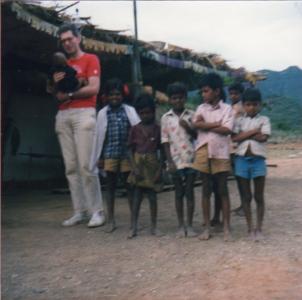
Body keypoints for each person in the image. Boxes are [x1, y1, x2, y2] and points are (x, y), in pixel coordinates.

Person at [46, 23, 105, 227]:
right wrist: (55, 84)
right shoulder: (60, 66)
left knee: (86, 165)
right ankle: (79, 210)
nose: (67, 43)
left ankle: (96, 210)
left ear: (78, 38)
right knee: (71, 167)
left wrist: (69, 94)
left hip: (83, 113)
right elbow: (55, 93)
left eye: (70, 38)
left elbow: (94, 88)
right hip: (63, 114)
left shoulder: (90, 59)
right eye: (63, 41)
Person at [90, 78, 140, 233]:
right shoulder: (102, 114)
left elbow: (136, 131)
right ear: (106, 96)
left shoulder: (129, 111)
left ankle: (134, 220)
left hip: (127, 155)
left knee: (129, 186)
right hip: (110, 154)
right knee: (110, 187)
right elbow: (100, 137)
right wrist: (100, 157)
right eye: (111, 95)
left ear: (122, 95)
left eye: (117, 94)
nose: (115, 98)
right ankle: (111, 220)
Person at [192, 73, 234, 241]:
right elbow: (196, 124)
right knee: (206, 190)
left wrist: (206, 125)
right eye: (202, 91)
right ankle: (207, 228)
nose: (203, 94)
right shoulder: (201, 108)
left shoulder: (227, 109)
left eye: (206, 91)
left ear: (216, 91)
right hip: (203, 151)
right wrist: (217, 124)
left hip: (221, 152)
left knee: (222, 190)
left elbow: (227, 129)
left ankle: (226, 228)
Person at [232, 88, 271, 241]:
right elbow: (235, 138)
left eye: (255, 104)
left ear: (260, 104)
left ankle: (259, 228)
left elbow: (263, 138)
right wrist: (254, 132)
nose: (251, 107)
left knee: (259, 196)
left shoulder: (264, 119)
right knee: (246, 196)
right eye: (248, 104)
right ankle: (250, 228)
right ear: (243, 105)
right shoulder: (239, 120)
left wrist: (245, 135)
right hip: (241, 160)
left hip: (258, 161)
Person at [161, 82, 197, 238]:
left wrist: (188, 127)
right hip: (175, 160)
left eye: (180, 98)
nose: (177, 101)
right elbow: (165, 140)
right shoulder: (166, 118)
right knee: (178, 193)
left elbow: (198, 136)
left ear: (185, 98)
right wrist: (169, 161)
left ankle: (189, 225)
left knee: (189, 192)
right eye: (174, 98)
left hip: (191, 159)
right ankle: (180, 225)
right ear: (170, 100)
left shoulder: (192, 115)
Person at [127, 94, 162, 238]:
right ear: (138, 113)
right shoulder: (134, 129)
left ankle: (154, 226)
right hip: (138, 165)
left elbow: (162, 149)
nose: (145, 115)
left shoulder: (157, 129)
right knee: (137, 196)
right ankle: (133, 226)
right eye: (142, 113)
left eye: (148, 112)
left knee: (152, 196)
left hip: (152, 164)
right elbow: (129, 149)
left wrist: (161, 168)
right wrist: (134, 167)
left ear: (153, 112)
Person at [228, 83, 246, 216]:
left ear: (241, 94)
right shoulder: (232, 107)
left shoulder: (239, 108)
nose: (233, 96)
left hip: (237, 147)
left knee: (241, 178)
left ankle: (244, 206)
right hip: (232, 147)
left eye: (236, 93)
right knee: (239, 178)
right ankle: (243, 205)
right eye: (231, 93)